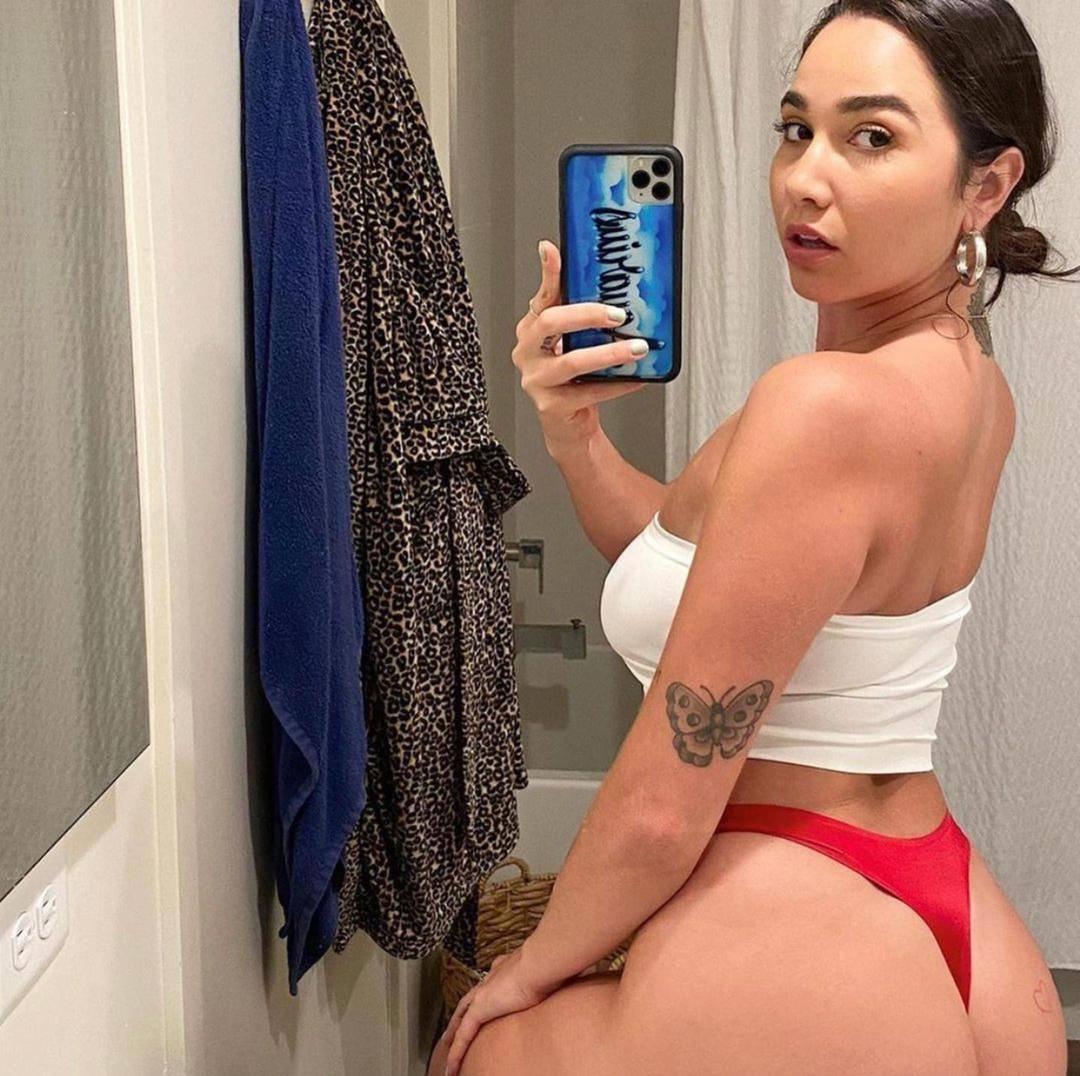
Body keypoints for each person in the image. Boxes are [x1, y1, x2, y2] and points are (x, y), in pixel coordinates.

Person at [431, 2, 1077, 1073]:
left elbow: (662, 802)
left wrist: (530, 965)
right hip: (942, 911)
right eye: (794, 128)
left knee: (485, 1048)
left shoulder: (823, 408)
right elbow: (726, 586)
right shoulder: (968, 384)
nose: (805, 178)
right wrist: (574, 435)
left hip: (796, 927)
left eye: (871, 137)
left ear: (985, 184)